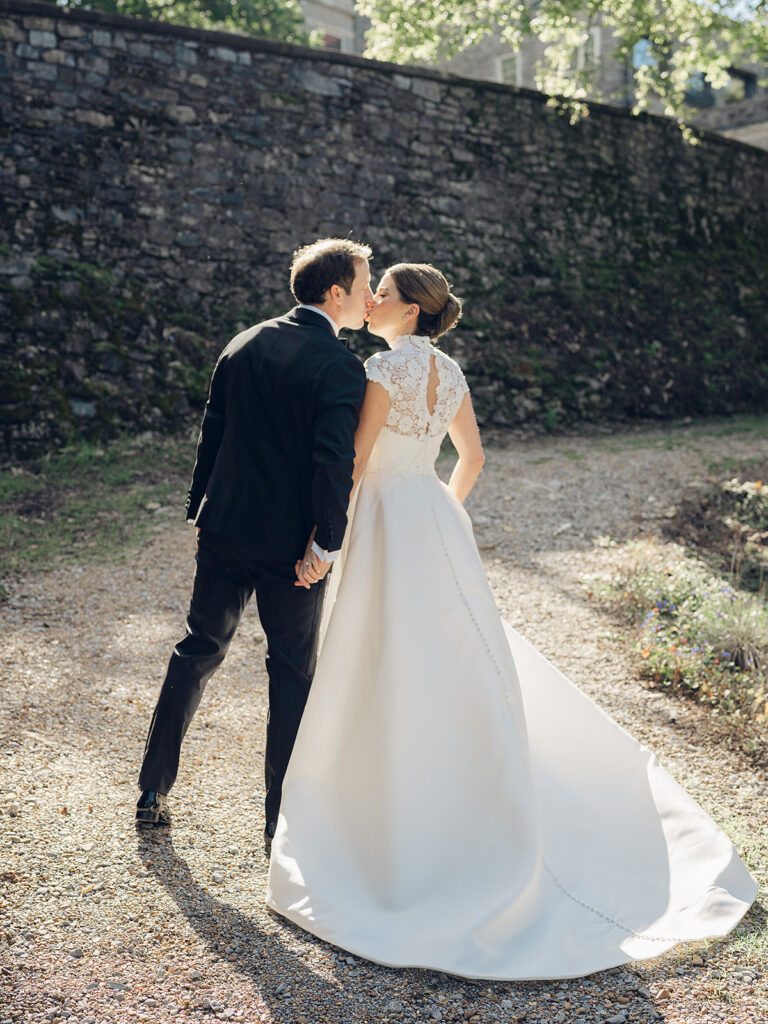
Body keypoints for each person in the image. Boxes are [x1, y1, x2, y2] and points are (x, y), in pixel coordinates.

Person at [265, 262, 757, 980]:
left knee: (385, 649)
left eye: (384, 294)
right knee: (451, 650)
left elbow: (357, 461)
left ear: (409, 311)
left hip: (386, 519)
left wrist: (322, 536)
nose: (371, 301)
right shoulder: (451, 373)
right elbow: (473, 458)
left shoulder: (381, 370)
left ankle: (391, 797)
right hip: (432, 515)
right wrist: (443, 507)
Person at [135, 238, 372, 856]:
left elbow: (211, 433)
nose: (371, 297)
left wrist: (199, 509)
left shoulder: (242, 342)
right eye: (364, 285)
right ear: (336, 292)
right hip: (291, 548)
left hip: (225, 528)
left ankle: (152, 791)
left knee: (197, 648)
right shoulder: (340, 366)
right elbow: (332, 463)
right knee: (291, 672)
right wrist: (327, 542)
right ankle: (278, 824)